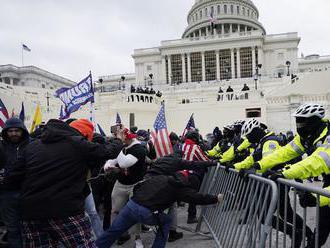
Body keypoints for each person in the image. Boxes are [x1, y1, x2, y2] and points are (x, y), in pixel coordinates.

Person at [5, 119, 123, 247]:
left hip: (31, 213)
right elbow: (108, 151)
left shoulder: (32, 146)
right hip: (64, 211)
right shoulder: (77, 143)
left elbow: (12, 176)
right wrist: (119, 139)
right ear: (84, 135)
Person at [96, 155, 223, 248]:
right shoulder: (180, 188)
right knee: (167, 220)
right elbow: (196, 198)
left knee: (113, 231)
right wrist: (215, 198)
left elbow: (140, 186)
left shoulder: (161, 176)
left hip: (131, 205)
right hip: (146, 211)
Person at [259, 103, 329, 247]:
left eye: (302, 121)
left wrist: (285, 173)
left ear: (314, 121)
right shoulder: (308, 136)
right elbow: (284, 152)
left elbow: (317, 161)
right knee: (322, 226)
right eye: (298, 121)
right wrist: (260, 164)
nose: (299, 125)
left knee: (323, 224)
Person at [104, 128, 147, 248]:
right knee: (115, 211)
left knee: (135, 212)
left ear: (128, 138)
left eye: (124, 139)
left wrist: (119, 145)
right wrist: (108, 165)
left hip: (135, 184)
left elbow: (124, 163)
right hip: (121, 183)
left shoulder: (139, 149)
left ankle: (137, 238)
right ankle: (120, 234)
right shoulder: (123, 147)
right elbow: (113, 160)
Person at [0, 117, 30, 248]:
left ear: (22, 130)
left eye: (16, 130)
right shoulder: (1, 147)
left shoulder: (32, 145)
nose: (13, 133)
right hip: (7, 194)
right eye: (10, 131)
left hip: (29, 193)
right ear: (5, 132)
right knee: (13, 229)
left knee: (30, 228)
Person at [182, 130, 210, 224]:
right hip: (191, 175)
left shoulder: (182, 146)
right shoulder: (195, 147)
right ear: (195, 138)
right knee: (193, 196)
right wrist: (212, 162)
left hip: (181, 174)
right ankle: (191, 216)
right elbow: (204, 159)